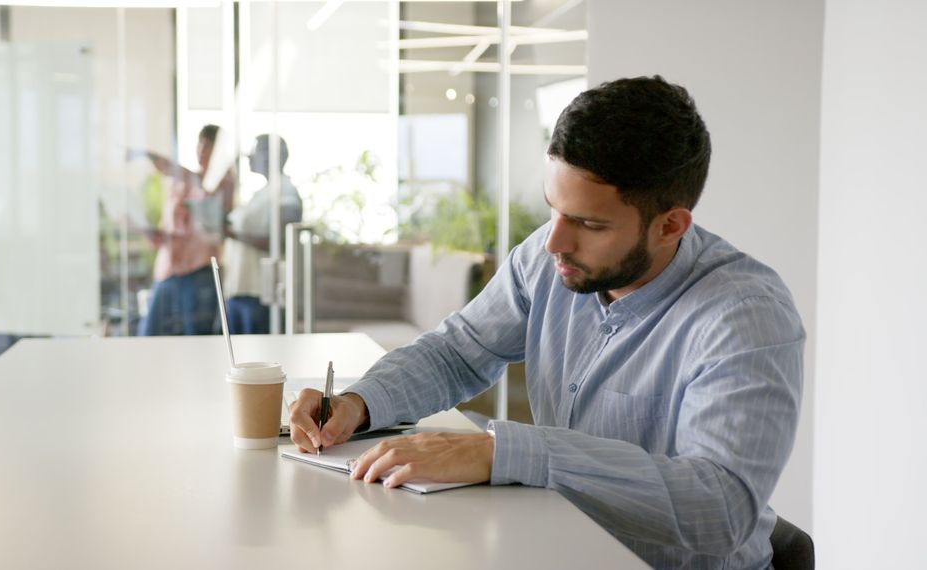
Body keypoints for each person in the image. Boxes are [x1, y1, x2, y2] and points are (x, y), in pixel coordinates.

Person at [288, 76, 804, 569]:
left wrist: (507, 453)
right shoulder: (550, 255)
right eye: (554, 208)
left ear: (670, 225)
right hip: (551, 545)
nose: (555, 241)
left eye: (589, 223)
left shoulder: (745, 318)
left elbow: (720, 508)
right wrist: (359, 403)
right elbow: (459, 352)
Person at [137, 124, 235, 336]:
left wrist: (151, 157)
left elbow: (216, 220)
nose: (201, 150)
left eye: (208, 146)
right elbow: (166, 231)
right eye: (200, 144)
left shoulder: (222, 184)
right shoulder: (179, 184)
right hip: (168, 272)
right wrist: (147, 231)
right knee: (149, 335)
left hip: (199, 273)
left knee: (197, 339)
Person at [223, 134, 303, 334]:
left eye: (254, 152)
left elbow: (282, 241)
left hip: (260, 294)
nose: (249, 157)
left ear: (271, 156)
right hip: (243, 290)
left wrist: (232, 234)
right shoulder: (264, 192)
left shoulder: (285, 191)